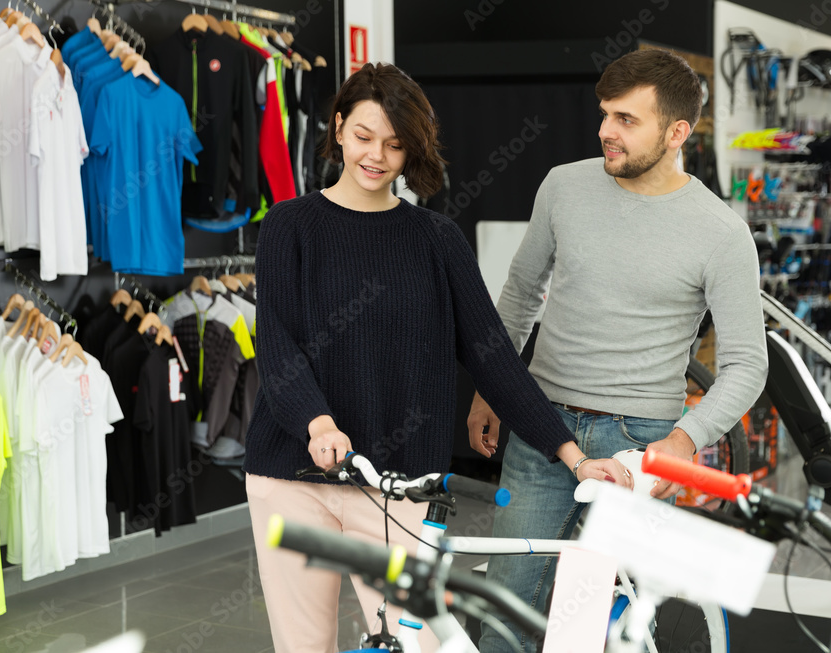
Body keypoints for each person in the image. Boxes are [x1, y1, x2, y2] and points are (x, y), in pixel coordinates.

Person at [243, 62, 633, 653]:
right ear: (340, 127)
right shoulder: (288, 227)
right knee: (303, 646)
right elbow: (277, 346)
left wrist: (572, 454)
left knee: (421, 642)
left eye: (396, 146)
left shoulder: (435, 239)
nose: (377, 156)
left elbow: (494, 358)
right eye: (365, 137)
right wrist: (318, 423)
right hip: (291, 476)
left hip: (398, 486)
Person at [471, 49, 769, 652]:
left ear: (677, 132)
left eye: (627, 120)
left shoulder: (721, 232)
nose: (606, 130)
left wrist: (683, 441)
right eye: (606, 114)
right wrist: (491, 387)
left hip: (639, 442)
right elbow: (521, 294)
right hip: (541, 424)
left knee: (594, 625)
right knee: (505, 613)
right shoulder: (564, 186)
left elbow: (747, 364)